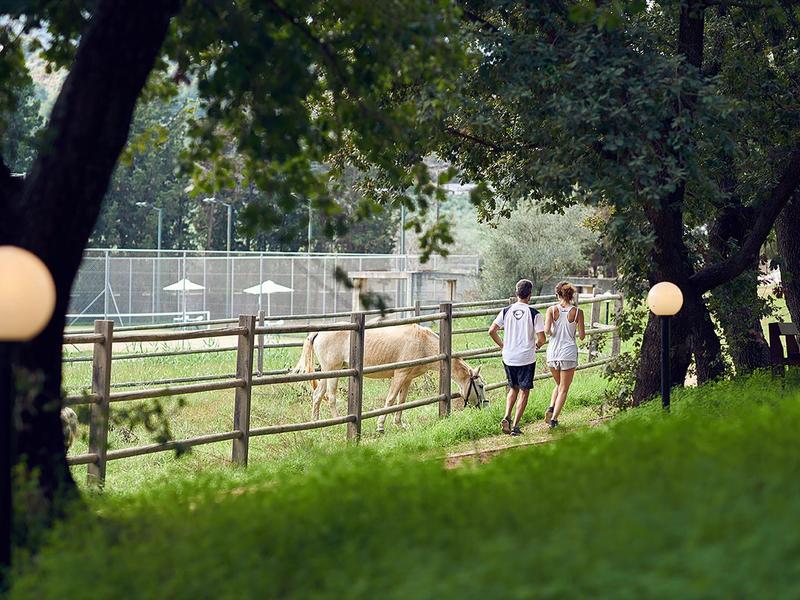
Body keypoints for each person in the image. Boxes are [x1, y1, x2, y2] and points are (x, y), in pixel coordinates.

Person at [488, 279, 546, 436]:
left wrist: (503, 346)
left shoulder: (506, 311)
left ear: (516, 293)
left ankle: (507, 415)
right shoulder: (535, 314)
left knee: (513, 388)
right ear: (530, 295)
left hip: (509, 356)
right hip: (526, 357)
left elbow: (492, 331)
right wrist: (537, 346)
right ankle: (515, 427)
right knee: (524, 391)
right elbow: (542, 338)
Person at [544, 281, 585, 429]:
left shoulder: (551, 310)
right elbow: (581, 336)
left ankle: (550, 407)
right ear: (571, 295)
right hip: (568, 353)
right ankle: (554, 419)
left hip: (553, 353)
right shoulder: (578, 312)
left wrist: (554, 329)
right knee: (563, 389)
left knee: (559, 384)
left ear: (557, 294)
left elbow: (547, 331)